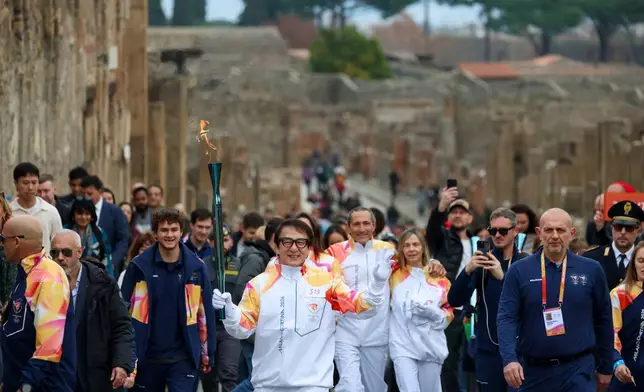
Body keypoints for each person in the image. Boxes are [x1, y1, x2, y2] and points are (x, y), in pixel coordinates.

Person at [212, 219, 393, 391]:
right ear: (277, 245)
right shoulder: (259, 284)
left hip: (312, 384)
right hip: (268, 384)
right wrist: (229, 311)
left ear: (309, 246)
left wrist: (377, 283)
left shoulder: (327, 283)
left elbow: (363, 306)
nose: (294, 248)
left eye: (300, 242)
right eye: (287, 242)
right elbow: (243, 328)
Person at [497, 208, 614, 391]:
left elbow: (604, 319)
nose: (554, 236)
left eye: (560, 230)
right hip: (533, 373)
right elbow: (506, 318)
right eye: (548, 230)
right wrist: (509, 359)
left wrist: (607, 365)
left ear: (572, 233)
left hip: (578, 371)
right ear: (539, 233)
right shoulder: (519, 270)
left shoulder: (591, 269)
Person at [120, 208, 216, 391]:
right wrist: (124, 356)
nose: (169, 234)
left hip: (183, 358)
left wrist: (207, 353)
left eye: (174, 229)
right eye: (164, 230)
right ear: (155, 233)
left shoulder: (196, 268)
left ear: (181, 232)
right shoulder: (138, 267)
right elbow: (123, 312)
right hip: (146, 356)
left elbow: (204, 314)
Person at [448, 207, 529, 392]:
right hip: (487, 350)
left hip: (519, 351)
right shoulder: (483, 263)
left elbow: (528, 303)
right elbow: (454, 299)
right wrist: (468, 270)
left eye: (503, 231)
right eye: (493, 231)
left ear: (516, 231)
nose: (497, 235)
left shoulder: (525, 263)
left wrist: (503, 277)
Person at [50, 230, 134, 391]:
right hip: (59, 373)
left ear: (79, 252)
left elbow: (122, 325)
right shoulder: (43, 283)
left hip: (96, 371)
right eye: (55, 252)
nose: (60, 257)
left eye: (66, 252)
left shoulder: (104, 283)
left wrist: (121, 364)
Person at [0, 215, 76, 391]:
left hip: (42, 386)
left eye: (3, 239)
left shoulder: (49, 277)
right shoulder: (26, 271)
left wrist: (25, 386)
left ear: (17, 241)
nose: (2, 245)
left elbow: (49, 349)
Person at [389, 228, 454, 392]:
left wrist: (434, 314)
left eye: (416, 244)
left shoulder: (439, 278)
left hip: (430, 346)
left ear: (423, 247)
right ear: (401, 249)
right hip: (402, 345)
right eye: (407, 245)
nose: (411, 249)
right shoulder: (392, 275)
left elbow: (449, 311)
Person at [583, 200, 644, 291]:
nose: (623, 232)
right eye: (618, 227)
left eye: (629, 228)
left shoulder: (641, 259)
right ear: (612, 228)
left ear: (638, 230)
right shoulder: (592, 258)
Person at [609, 241, 644, 391]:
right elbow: (611, 332)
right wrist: (617, 361)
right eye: (641, 261)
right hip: (627, 375)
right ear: (633, 263)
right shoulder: (620, 294)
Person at [67, 198, 114, 276]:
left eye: (87, 214)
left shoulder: (100, 233)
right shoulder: (65, 232)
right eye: (80, 213)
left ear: (92, 216)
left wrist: (110, 281)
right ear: (73, 215)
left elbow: (107, 259)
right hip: (68, 275)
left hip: (95, 277)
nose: (83, 217)